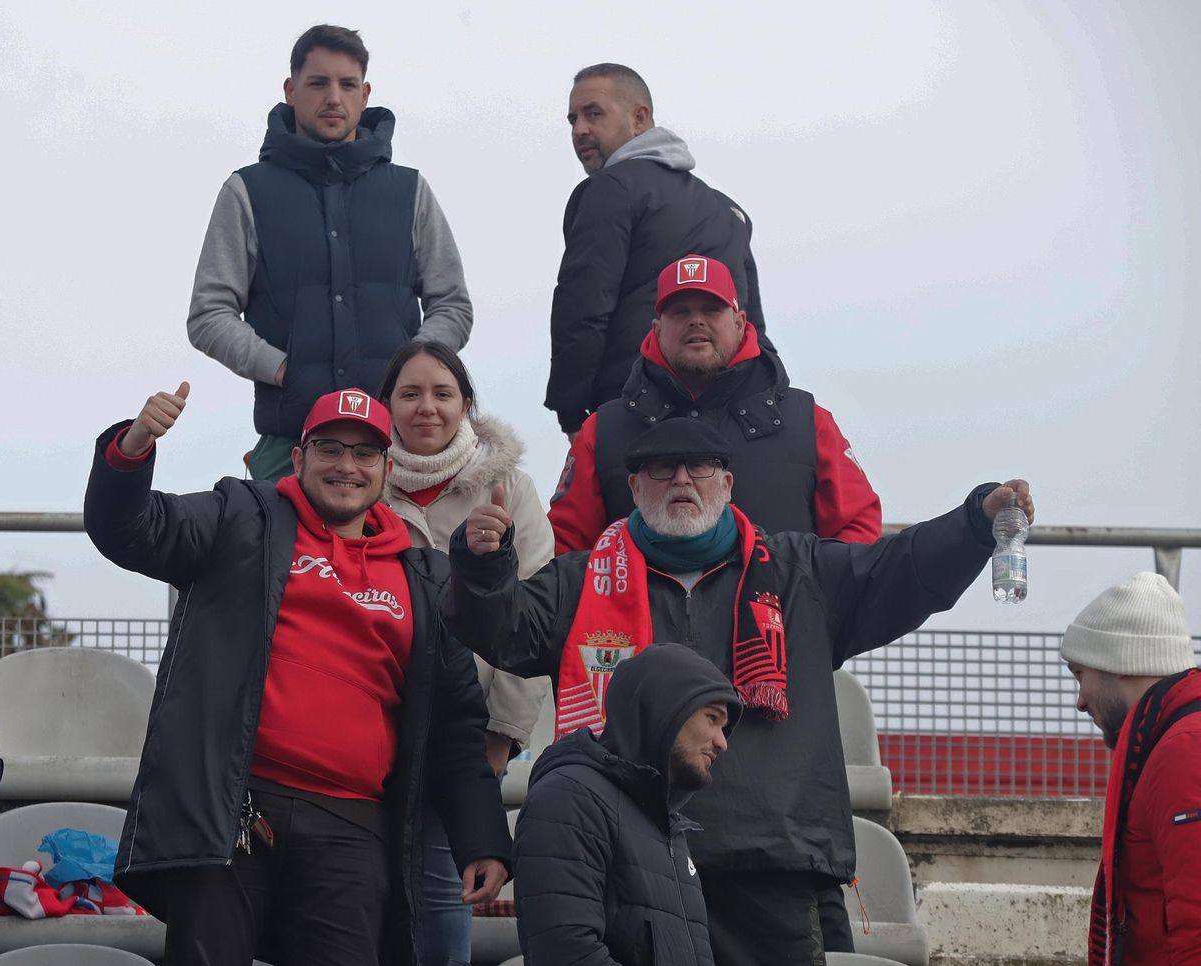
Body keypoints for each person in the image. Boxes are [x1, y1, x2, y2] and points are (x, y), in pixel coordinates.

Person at [445, 416, 1035, 966]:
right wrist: (483, 568)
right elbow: (505, 632)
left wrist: (973, 524)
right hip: (630, 864)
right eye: (662, 469)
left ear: (726, 484)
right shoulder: (579, 580)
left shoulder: (801, 570)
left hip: (772, 867)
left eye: (699, 467)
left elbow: (898, 570)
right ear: (634, 487)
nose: (682, 480)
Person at [84, 384, 510, 966]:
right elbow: (129, 529)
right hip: (231, 808)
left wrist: (482, 839)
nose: (346, 466)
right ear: (298, 458)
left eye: (365, 453)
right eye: (329, 448)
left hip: (353, 822)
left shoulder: (427, 578)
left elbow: (456, 723)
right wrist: (132, 450)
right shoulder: (239, 515)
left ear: (387, 470)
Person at [186, 24, 473, 482]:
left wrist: (409, 373)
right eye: (319, 83)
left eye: (347, 85)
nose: (334, 98)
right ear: (291, 90)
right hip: (290, 443)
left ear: (365, 94)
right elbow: (208, 314)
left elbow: (453, 305)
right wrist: (284, 369)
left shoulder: (410, 191)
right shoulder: (247, 192)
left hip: (397, 450)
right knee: (265, 533)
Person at [376, 342, 553, 965]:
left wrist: (500, 737)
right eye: (410, 393)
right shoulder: (358, 482)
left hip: (465, 743)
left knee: (440, 907)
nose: (426, 407)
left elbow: (534, 622)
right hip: (372, 733)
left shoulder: (510, 490)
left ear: (466, 405)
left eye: (443, 393)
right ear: (387, 405)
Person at [550, 253, 879, 555]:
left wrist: (808, 590)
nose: (696, 320)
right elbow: (564, 547)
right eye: (680, 311)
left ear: (740, 322)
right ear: (657, 329)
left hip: (781, 605)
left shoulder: (809, 422)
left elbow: (859, 531)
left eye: (711, 309)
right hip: (636, 605)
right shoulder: (602, 431)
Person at [546, 63, 766, 437]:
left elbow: (582, 307)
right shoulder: (727, 210)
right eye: (572, 119)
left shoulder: (609, 190)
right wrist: (771, 406)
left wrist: (572, 412)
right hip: (729, 420)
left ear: (639, 118)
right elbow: (753, 328)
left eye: (594, 114)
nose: (579, 129)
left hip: (635, 413)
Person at [515, 644, 740, 966]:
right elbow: (566, 952)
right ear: (663, 708)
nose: (722, 742)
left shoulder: (667, 825)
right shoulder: (569, 798)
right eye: (712, 718)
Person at [1060, 573, 1201, 963]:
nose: (1080, 701)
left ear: (1120, 661)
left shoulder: (1185, 748)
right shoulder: (1169, 742)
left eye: (1080, 674)